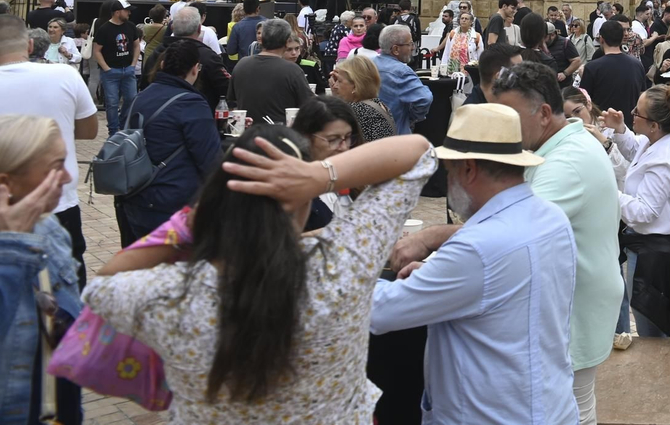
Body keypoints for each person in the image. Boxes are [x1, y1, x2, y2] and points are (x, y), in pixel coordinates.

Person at [84, 128, 434, 421]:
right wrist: (318, 175)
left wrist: (188, 222)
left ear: (218, 201)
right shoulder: (344, 263)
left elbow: (99, 289)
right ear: (303, 202)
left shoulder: (169, 294)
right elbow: (419, 153)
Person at [370, 105, 578, 425]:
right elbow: (505, 291)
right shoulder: (552, 218)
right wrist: (434, 280)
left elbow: (380, 311)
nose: (449, 181)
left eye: (450, 171)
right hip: (550, 407)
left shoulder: (476, 248)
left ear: (468, 170)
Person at [455, 64, 622, 425]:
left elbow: (510, 228)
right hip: (571, 298)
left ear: (544, 113)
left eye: (510, 117)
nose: (503, 129)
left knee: (569, 408)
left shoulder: (569, 160)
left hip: (576, 305)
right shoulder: (558, 144)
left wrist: (430, 239)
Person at [0, 16, 99, 290]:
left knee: (1, 292)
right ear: (30, 44)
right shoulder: (65, 74)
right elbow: (90, 131)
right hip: (58, 203)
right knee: (66, 287)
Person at [0, 114, 80, 425]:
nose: (66, 177)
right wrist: (12, 253)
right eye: (55, 166)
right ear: (5, 185)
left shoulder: (49, 229)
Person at [600, 84, 670, 341]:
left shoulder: (666, 157)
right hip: (648, 247)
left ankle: (662, 378)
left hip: (654, 254)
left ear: (654, 125)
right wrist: (620, 130)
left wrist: (605, 189)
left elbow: (644, 212)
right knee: (652, 325)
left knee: (652, 333)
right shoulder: (661, 138)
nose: (632, 113)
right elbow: (638, 151)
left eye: (638, 112)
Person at [117, 39, 223, 244]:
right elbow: (211, 161)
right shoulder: (191, 103)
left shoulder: (139, 98)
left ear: (163, 65)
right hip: (171, 204)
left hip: (133, 197)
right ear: (195, 69)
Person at [289, 96, 358, 228]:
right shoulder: (295, 190)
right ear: (306, 138)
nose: (343, 147)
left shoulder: (353, 177)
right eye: (333, 140)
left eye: (348, 137)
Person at [227, 17, 312, 125]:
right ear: (286, 42)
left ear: (261, 39)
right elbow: (309, 106)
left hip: (247, 134)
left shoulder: (241, 65)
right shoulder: (293, 70)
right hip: (280, 136)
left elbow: (231, 103)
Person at [582, 20, 650, 118]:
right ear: (621, 38)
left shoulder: (592, 67)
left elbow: (584, 100)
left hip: (602, 123)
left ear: (601, 39)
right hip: (629, 125)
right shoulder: (637, 64)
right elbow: (642, 94)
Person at [93, 0, 142, 133]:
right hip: (111, 71)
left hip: (128, 69)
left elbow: (136, 45)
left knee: (131, 98)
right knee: (112, 103)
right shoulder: (104, 29)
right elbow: (96, 50)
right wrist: (106, 69)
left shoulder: (131, 26)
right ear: (117, 12)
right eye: (126, 11)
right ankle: (113, 130)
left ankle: (122, 123)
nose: (129, 13)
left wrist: (133, 64)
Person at [374, 23, 432, 134]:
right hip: (397, 133)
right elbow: (425, 98)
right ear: (396, 49)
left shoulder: (369, 64)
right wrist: (411, 117)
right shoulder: (401, 72)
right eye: (409, 44)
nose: (413, 47)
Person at [329, 56, 397, 143]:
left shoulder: (357, 110)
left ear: (355, 86)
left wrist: (335, 97)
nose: (335, 86)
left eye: (339, 81)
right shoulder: (378, 105)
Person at [222, 0, 264, 65]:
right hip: (265, 64)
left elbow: (230, 51)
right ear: (258, 9)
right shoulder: (269, 24)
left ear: (244, 9)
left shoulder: (237, 27)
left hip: (244, 66)